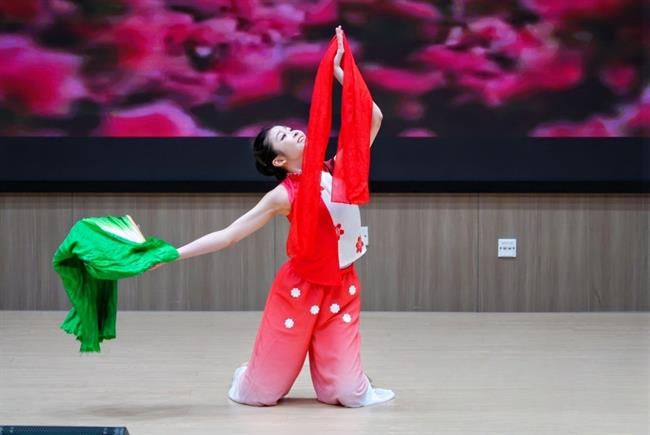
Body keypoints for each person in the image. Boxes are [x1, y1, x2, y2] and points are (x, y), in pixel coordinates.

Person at [149, 26, 394, 407]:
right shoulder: (283, 195)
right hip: (299, 290)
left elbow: (373, 116)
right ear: (279, 161)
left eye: (291, 129)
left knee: (348, 395)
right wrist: (171, 254)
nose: (294, 133)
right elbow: (230, 234)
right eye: (283, 137)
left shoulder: (338, 170)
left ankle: (347, 374)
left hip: (342, 287)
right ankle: (251, 373)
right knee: (259, 395)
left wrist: (341, 72)